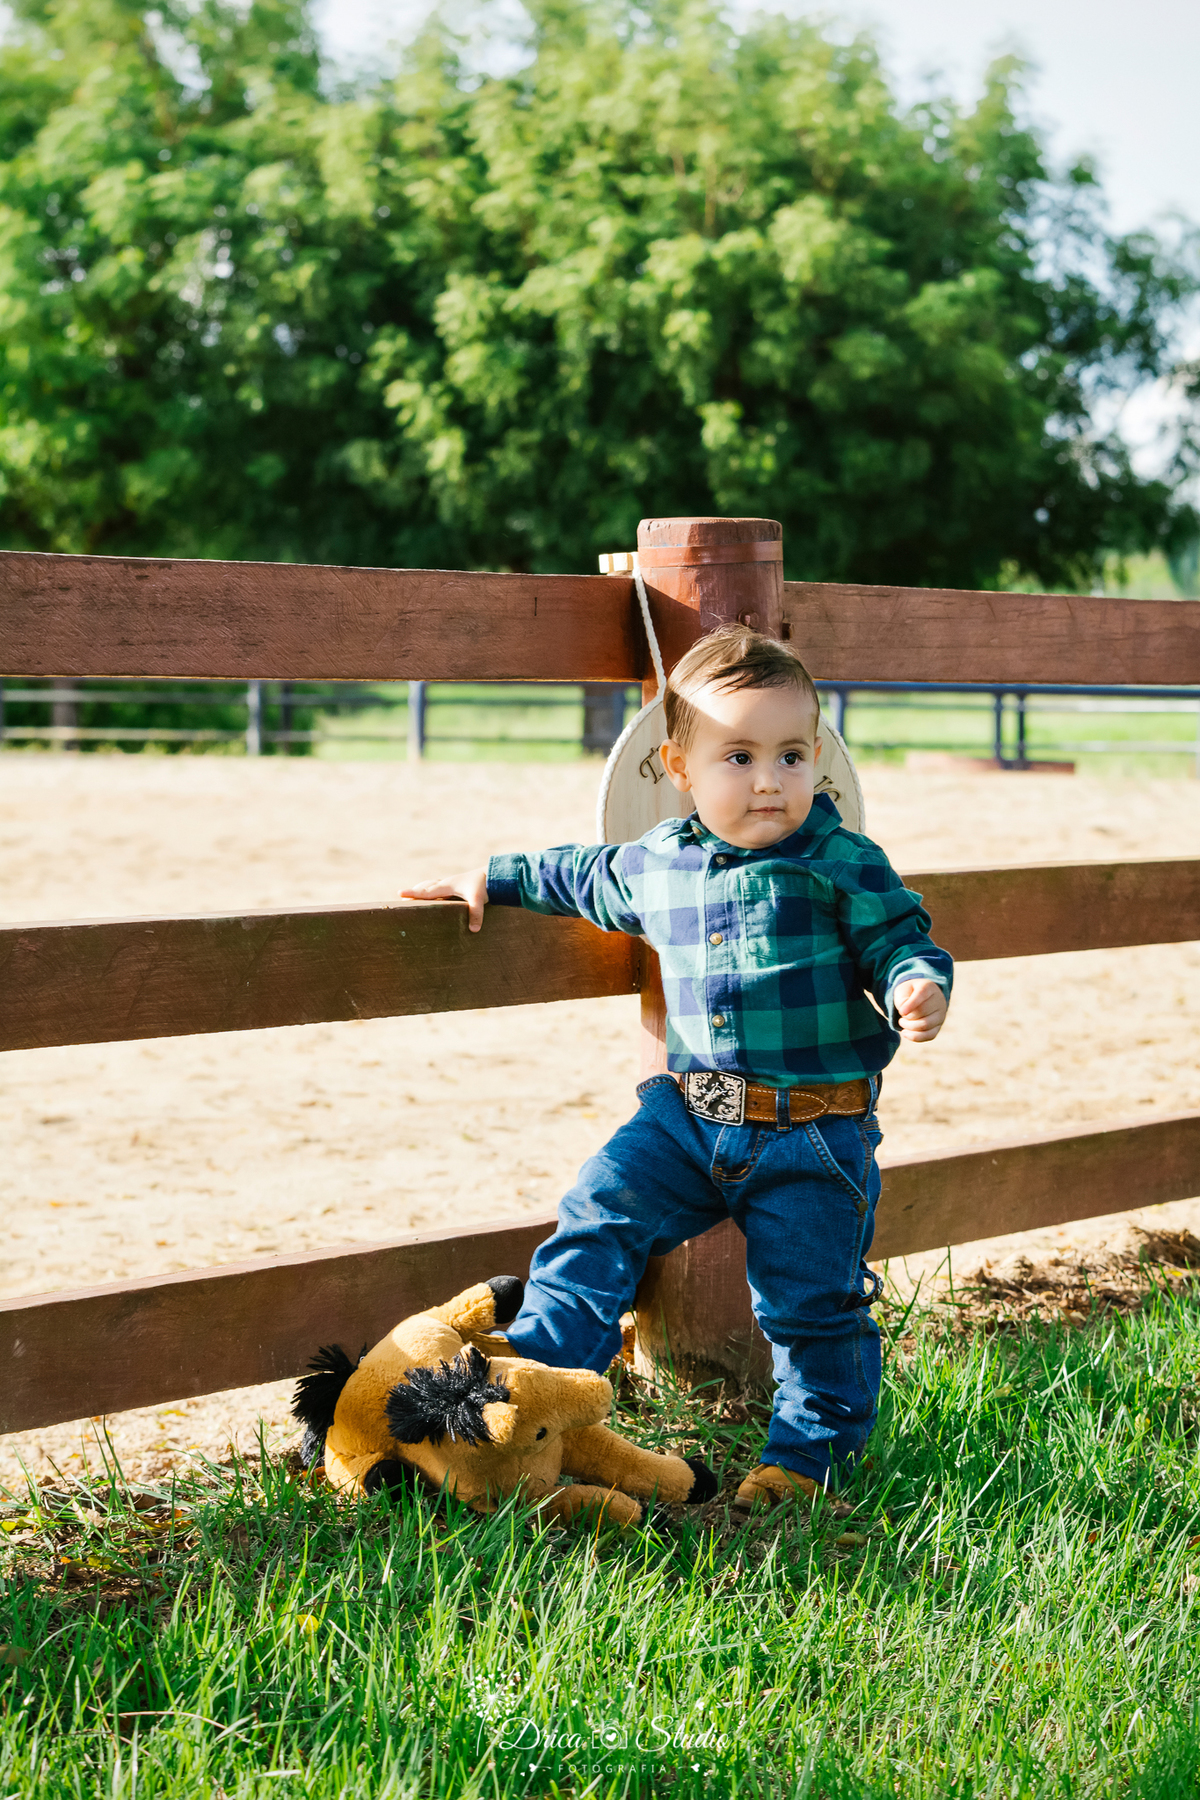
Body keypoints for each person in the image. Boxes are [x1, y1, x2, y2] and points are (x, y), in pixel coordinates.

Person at [400, 627, 952, 1510]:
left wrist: (916, 984)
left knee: (812, 1306)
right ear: (680, 766)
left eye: (791, 755)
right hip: (687, 1120)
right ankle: (533, 1396)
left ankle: (808, 1462)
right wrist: (490, 877)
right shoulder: (659, 861)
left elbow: (899, 939)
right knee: (596, 1216)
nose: (769, 780)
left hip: (813, 1135)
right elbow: (576, 875)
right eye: (739, 756)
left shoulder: (844, 864)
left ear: (816, 758)